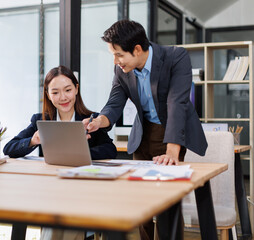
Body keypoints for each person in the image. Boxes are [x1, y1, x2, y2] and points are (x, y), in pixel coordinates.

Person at [83, 19, 208, 240]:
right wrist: (98, 121)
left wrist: (172, 151)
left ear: (138, 49)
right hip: (142, 135)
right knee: (140, 199)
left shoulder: (175, 57)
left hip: (170, 132)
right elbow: (114, 103)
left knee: (167, 202)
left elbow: (177, 103)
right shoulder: (122, 70)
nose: (115, 61)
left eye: (119, 54)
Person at [3, 65, 117, 160]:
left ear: (76, 89)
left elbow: (110, 150)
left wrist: (79, 153)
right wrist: (33, 141)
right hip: (50, 178)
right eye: (55, 92)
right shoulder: (41, 120)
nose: (63, 97)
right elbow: (9, 149)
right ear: (48, 95)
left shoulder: (91, 120)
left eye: (68, 90)